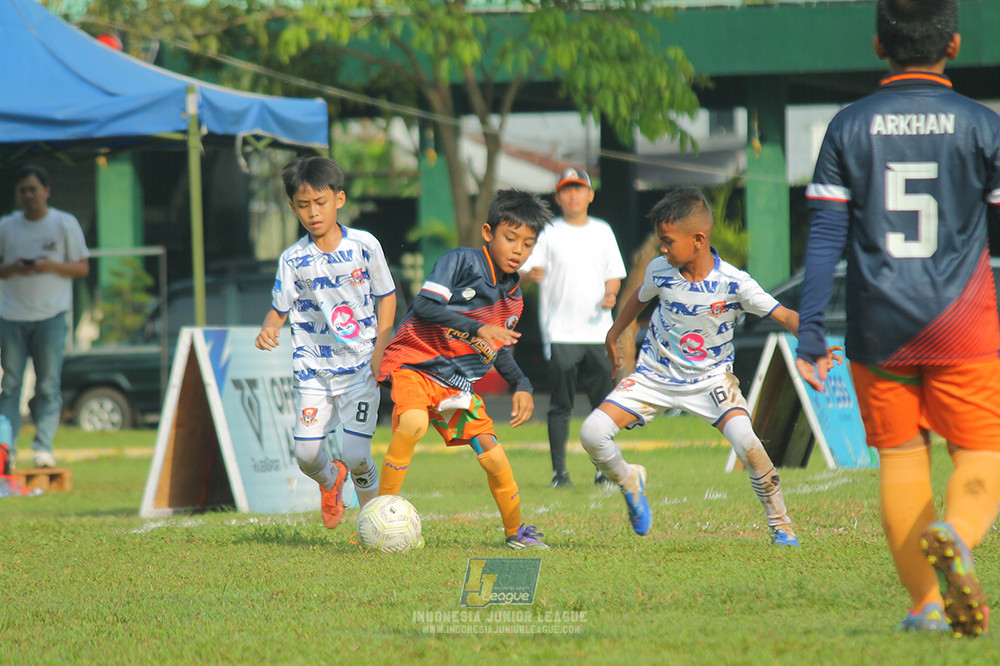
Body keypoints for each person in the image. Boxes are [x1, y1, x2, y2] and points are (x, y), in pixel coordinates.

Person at [795, 0, 999, 637]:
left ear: (879, 46)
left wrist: (810, 330)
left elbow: (824, 237)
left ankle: (927, 607)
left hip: (878, 323)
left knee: (903, 462)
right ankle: (958, 533)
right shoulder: (983, 126)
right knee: (982, 453)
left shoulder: (848, 126)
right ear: (954, 45)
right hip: (964, 323)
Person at [580, 187, 835, 546]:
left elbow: (785, 315)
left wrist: (814, 342)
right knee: (591, 433)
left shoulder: (734, 283)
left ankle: (781, 525)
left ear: (698, 240)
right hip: (655, 376)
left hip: (711, 382)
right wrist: (614, 331)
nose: (662, 249)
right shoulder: (660, 270)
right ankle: (629, 480)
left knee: (748, 444)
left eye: (668, 241)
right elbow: (639, 297)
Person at [377, 189, 552, 550]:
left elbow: (496, 348)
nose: (518, 250)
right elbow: (425, 305)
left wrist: (522, 383)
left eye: (528, 244)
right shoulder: (460, 261)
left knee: (494, 455)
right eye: (510, 238)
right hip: (415, 362)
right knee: (413, 423)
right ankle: (377, 517)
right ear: (488, 232)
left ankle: (516, 533)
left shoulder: (513, 298)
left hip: (455, 384)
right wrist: (477, 327)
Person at [256, 156, 396, 530]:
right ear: (292, 207)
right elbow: (278, 310)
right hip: (313, 372)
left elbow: (387, 296)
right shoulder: (292, 260)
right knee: (305, 454)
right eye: (304, 205)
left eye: (320, 202)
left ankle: (372, 527)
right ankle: (331, 480)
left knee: (357, 455)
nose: (313, 212)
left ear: (339, 199)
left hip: (360, 368)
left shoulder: (364, 245)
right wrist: (269, 328)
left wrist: (381, 348)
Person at [520, 167, 627, 488]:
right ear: (558, 197)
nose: (573, 196)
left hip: (598, 332)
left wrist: (611, 294)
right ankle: (559, 473)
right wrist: (530, 276)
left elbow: (614, 273)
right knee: (561, 404)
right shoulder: (549, 232)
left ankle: (603, 470)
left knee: (603, 407)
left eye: (579, 189)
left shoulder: (603, 231)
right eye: (567, 190)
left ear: (590, 195)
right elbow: (525, 271)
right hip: (561, 332)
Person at [0, 165, 90, 469]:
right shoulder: (7, 226)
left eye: (33, 189)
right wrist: (14, 268)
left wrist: (50, 266)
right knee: (10, 385)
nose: (28, 195)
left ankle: (43, 449)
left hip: (51, 316)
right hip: (12, 316)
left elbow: (82, 267)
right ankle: (6, 451)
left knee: (48, 385)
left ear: (47, 191)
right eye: (23, 190)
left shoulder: (64, 223)